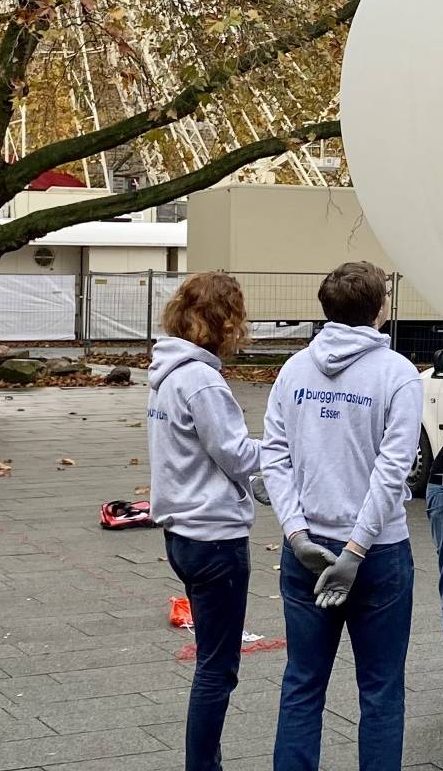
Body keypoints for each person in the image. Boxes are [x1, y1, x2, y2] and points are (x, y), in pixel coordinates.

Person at [261, 262, 422, 771]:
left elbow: (275, 457)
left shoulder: (294, 369)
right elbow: (392, 472)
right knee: (379, 689)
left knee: (302, 683)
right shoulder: (396, 373)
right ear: (378, 310)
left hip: (306, 548)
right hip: (378, 554)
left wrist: (295, 532)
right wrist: (355, 550)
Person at [147, 272, 262, 771]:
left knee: (213, 665)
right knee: (217, 671)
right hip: (215, 537)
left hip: (182, 533)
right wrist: (285, 451)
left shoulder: (168, 373)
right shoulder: (203, 381)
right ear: (226, 321)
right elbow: (236, 455)